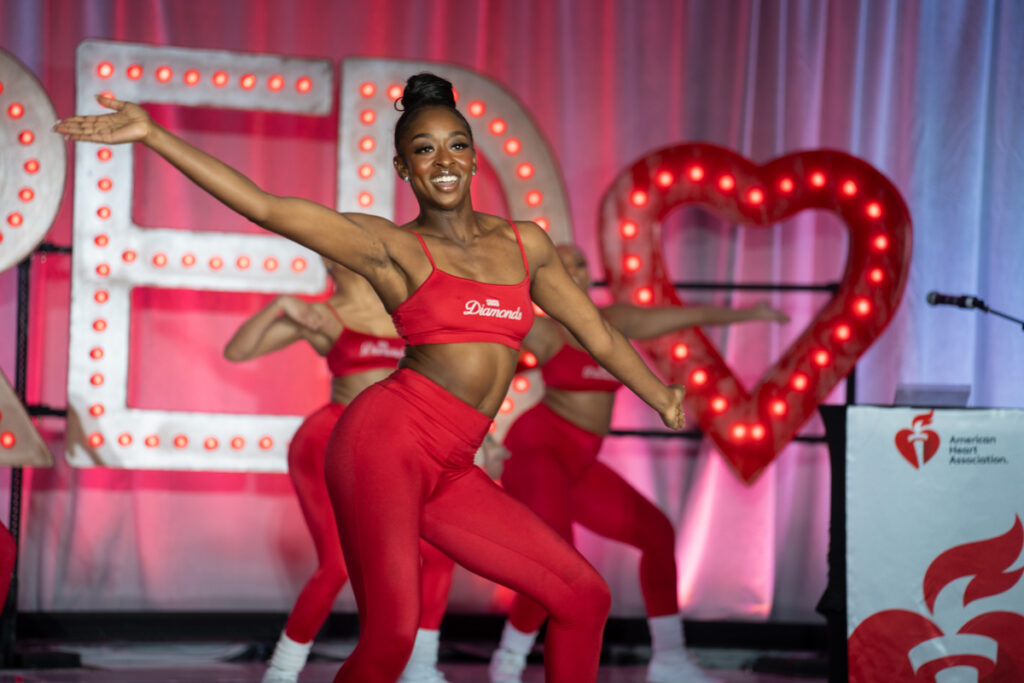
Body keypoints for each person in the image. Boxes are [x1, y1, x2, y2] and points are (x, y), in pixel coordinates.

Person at [55, 73, 686, 683]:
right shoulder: (390, 247)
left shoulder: (528, 245)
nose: (443, 159)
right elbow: (267, 207)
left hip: (453, 463)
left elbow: (599, 334)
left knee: (583, 596)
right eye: (423, 149)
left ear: (473, 157)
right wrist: (153, 135)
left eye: (456, 145)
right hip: (384, 442)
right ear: (403, 169)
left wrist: (660, 395)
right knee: (392, 637)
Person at [489, 245, 789, 683]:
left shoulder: (618, 322)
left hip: (580, 461)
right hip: (538, 451)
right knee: (556, 561)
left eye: (580, 263)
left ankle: (670, 659)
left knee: (656, 533)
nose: (573, 269)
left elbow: (691, 318)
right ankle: (508, 662)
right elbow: (479, 327)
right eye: (561, 264)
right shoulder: (546, 331)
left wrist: (749, 313)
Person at [222, 260, 455, 683]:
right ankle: (282, 671)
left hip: (391, 448)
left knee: (438, 554)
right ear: (329, 260)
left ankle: (419, 668)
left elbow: (445, 378)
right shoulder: (323, 316)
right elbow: (237, 350)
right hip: (330, 439)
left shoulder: (404, 311)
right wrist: (279, 304)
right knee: (337, 565)